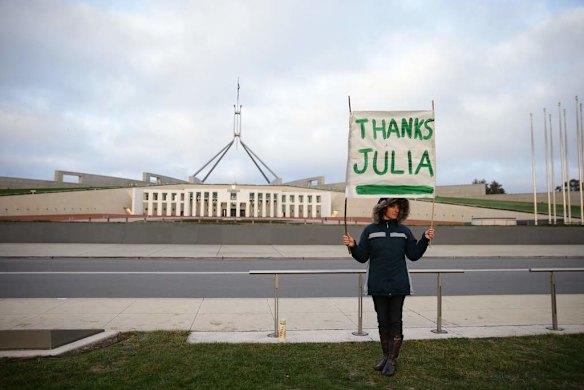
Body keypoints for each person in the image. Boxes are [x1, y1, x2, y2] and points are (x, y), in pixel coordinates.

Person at [342, 198, 435, 377]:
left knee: (395, 322)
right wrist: (353, 246)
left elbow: (414, 255)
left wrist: (424, 239)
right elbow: (362, 257)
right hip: (377, 284)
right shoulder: (369, 231)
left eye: (398, 206)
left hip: (398, 284)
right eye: (392, 206)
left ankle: (392, 360)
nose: (396, 209)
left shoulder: (404, 231)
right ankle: (385, 356)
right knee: (382, 322)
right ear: (383, 208)